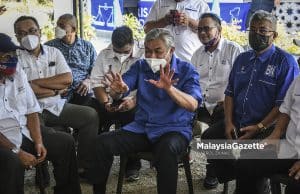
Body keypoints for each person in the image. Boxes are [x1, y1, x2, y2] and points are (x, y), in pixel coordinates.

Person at [87, 28, 202, 194]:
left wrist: (169, 89)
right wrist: (117, 91)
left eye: (158, 51)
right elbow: (120, 89)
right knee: (102, 143)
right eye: (148, 51)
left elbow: (193, 104)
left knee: (167, 149)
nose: (152, 57)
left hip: (173, 130)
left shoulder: (186, 70)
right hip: (143, 128)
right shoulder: (141, 66)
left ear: (171, 50)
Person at [204, 10, 299, 190]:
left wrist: (260, 127)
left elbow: (282, 106)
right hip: (239, 121)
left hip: (267, 127)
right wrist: (228, 123)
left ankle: (251, 181)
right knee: (210, 139)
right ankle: (235, 174)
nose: (256, 34)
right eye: (253, 29)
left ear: (275, 35)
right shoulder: (242, 59)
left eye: (263, 30)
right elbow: (230, 92)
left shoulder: (285, 63)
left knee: (249, 162)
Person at [13, 15, 99, 175]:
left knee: (91, 115)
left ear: (39, 31)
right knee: (49, 136)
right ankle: (42, 171)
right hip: (30, 112)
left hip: (56, 106)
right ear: (17, 37)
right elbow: (24, 92)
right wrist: (55, 89)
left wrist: (35, 83)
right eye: (22, 33)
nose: (28, 36)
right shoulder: (13, 59)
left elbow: (67, 79)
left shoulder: (54, 52)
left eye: (32, 31)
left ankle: (83, 165)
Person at [0, 33, 81, 194]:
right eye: (5, 56)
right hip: (3, 140)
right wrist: (18, 152)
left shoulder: (18, 74)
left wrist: (38, 141)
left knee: (65, 142)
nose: (11, 59)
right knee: (12, 162)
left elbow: (31, 111)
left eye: (13, 54)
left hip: (24, 131)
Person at [191, 12, 244, 189]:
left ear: (219, 29)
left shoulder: (233, 50)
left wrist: (229, 101)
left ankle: (214, 171)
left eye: (207, 28)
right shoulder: (197, 54)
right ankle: (175, 157)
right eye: (199, 29)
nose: (202, 33)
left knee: (213, 133)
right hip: (202, 105)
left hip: (226, 106)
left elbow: (241, 83)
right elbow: (192, 83)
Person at [90, 25, 144, 181]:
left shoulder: (143, 54)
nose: (120, 55)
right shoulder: (104, 54)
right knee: (92, 114)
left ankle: (132, 164)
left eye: (125, 52)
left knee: (132, 117)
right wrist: (106, 103)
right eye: (117, 51)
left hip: (134, 98)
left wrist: (132, 100)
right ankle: (95, 164)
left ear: (133, 43)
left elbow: (147, 86)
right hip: (108, 98)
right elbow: (96, 83)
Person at [235, 75, 300, 194]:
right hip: (290, 147)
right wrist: (275, 135)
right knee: (246, 163)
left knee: (295, 186)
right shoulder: (298, 81)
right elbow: (286, 110)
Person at [45, 14, 97, 104]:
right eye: (57, 25)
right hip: (58, 91)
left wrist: (88, 81)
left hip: (82, 89)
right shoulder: (49, 47)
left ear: (74, 29)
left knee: (92, 104)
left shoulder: (87, 47)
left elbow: (96, 69)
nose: (57, 29)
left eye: (62, 26)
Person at [144, 0, 210, 62]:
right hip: (162, 61)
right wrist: (164, 21)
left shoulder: (201, 5)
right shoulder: (160, 2)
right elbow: (146, 29)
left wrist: (189, 22)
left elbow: (208, 32)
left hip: (190, 60)